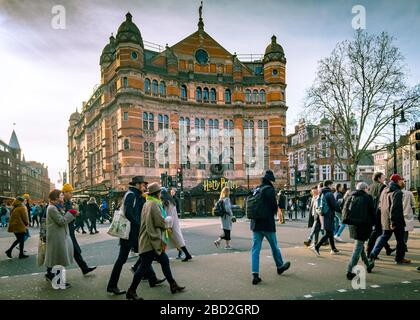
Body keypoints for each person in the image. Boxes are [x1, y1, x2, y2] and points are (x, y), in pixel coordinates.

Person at [126, 182, 185, 300]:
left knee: (164, 261)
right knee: (143, 267)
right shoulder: (154, 205)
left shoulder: (148, 203)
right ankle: (131, 291)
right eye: (160, 193)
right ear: (157, 193)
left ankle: (173, 285)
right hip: (151, 241)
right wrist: (168, 221)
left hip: (148, 240)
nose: (161, 195)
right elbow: (159, 222)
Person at [107, 176, 164, 295]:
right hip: (129, 233)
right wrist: (139, 224)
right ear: (137, 184)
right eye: (143, 185)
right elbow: (128, 213)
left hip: (133, 232)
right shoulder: (131, 195)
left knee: (145, 255)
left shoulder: (136, 195)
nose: (144, 187)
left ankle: (152, 278)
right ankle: (112, 285)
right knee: (123, 259)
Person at [250, 170, 291, 285]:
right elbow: (274, 207)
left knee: (255, 249)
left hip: (255, 223)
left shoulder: (256, 189)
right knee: (274, 246)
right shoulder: (269, 190)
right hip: (267, 223)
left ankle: (255, 274)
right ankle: (279, 266)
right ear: (270, 180)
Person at [369, 174, 411, 264]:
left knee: (383, 237)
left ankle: (373, 253)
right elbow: (395, 208)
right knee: (401, 240)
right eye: (401, 180)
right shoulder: (398, 192)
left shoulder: (384, 190)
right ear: (397, 181)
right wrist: (394, 222)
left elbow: (381, 205)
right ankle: (399, 258)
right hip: (396, 220)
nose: (402, 182)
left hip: (385, 219)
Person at [43, 189, 77, 288]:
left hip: (58, 236)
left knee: (56, 258)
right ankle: (58, 282)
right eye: (61, 195)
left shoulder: (56, 207)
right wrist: (71, 213)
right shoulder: (52, 208)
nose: (63, 197)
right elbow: (61, 221)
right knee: (58, 259)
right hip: (56, 237)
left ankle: (52, 276)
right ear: (56, 197)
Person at [62, 184, 97, 276]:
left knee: (74, 249)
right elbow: (63, 216)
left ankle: (84, 268)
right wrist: (74, 213)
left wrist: (74, 213)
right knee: (61, 251)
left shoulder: (68, 201)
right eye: (70, 192)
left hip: (69, 229)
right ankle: (50, 271)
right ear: (65, 192)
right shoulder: (62, 202)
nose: (72, 194)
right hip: (65, 230)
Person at [345, 182, 375, 280]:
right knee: (358, 248)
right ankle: (349, 271)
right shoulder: (368, 198)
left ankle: (368, 264)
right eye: (367, 188)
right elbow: (372, 212)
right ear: (365, 188)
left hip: (352, 225)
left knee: (360, 245)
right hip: (363, 225)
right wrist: (374, 223)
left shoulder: (351, 196)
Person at [367, 172, 395, 257]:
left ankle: (388, 249)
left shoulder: (370, 186)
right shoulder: (382, 186)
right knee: (378, 231)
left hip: (372, 211)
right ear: (379, 178)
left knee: (380, 232)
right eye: (383, 177)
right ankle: (369, 251)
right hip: (379, 211)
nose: (384, 179)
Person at [161, 188, 192, 262]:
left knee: (175, 240)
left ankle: (187, 255)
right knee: (176, 240)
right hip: (172, 223)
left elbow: (170, 215)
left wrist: (169, 226)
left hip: (171, 224)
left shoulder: (168, 203)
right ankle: (187, 254)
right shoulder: (169, 201)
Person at [311, 180, 341, 256]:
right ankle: (317, 247)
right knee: (328, 233)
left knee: (330, 233)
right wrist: (340, 202)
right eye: (332, 185)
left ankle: (333, 249)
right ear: (329, 185)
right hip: (329, 215)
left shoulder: (321, 193)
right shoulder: (329, 194)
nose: (333, 186)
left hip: (323, 215)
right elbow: (335, 206)